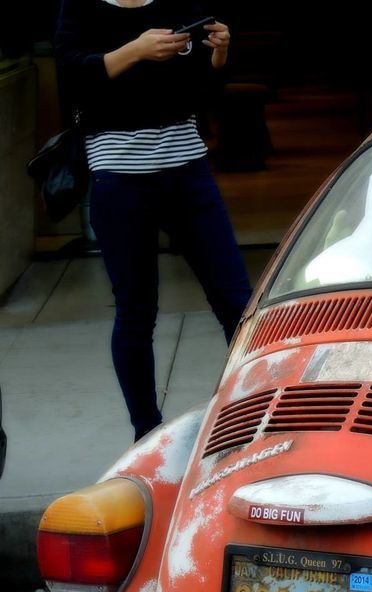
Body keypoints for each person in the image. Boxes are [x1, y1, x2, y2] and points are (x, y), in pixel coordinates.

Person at [55, 0, 252, 441]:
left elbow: (203, 94)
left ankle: (251, 415)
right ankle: (147, 434)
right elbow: (71, 78)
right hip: (120, 177)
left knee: (238, 304)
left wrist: (218, 53)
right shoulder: (81, 7)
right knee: (137, 311)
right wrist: (136, 50)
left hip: (188, 170)